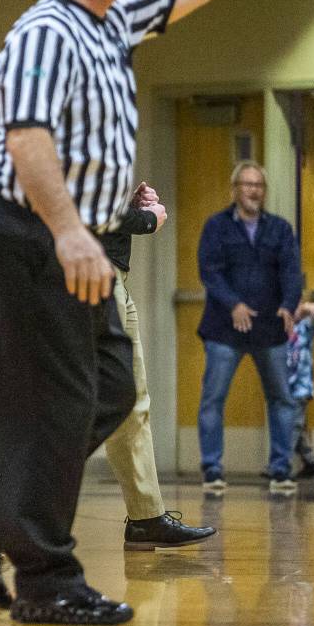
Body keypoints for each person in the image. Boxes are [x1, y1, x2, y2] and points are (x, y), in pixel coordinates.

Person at [0, 0, 292, 624]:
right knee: (51, 407)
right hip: (28, 237)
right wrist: (68, 232)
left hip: (74, 240)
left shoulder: (113, 22)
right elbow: (25, 137)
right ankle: (47, 581)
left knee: (113, 387)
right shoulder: (42, 33)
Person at [99, 182, 215, 550]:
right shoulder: (73, 129)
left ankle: (145, 516)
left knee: (130, 401)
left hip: (111, 275)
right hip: (87, 276)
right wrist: (144, 219)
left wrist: (126, 201)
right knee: (92, 403)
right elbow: (80, 202)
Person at [197, 160, 301, 494]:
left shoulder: (280, 230)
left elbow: (291, 272)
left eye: (258, 185)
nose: (253, 190)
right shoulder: (216, 226)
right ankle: (212, 470)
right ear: (235, 189)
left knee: (282, 399)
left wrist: (288, 305)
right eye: (247, 184)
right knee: (213, 399)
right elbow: (209, 271)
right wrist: (234, 305)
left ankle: (281, 471)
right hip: (224, 329)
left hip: (271, 328)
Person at [287, 297, 314, 479]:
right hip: (283, 386)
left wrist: (303, 308)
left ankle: (281, 465)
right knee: (295, 427)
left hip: (300, 387)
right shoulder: (281, 330)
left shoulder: (306, 328)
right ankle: (311, 462)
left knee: (292, 425)